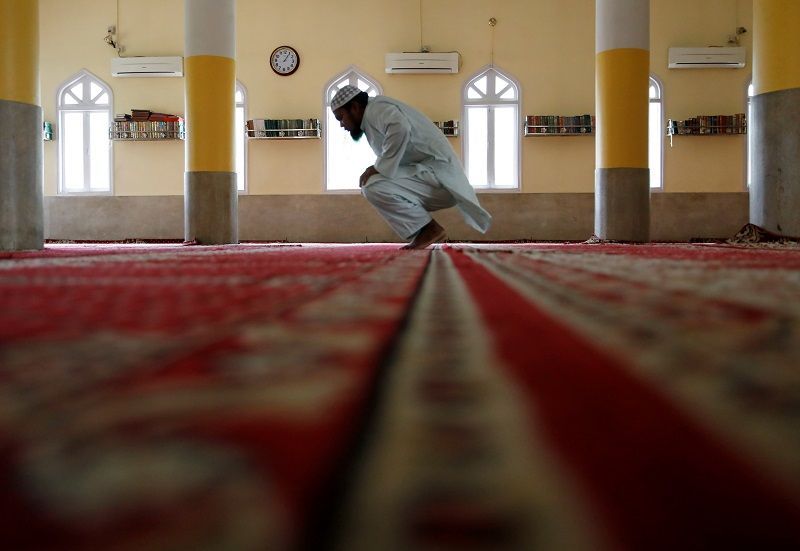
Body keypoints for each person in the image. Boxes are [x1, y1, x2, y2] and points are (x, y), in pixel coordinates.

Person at [330, 85, 492, 249]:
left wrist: (379, 166)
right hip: (435, 180)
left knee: (372, 184)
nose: (342, 124)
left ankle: (428, 229)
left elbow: (399, 127)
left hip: (438, 178)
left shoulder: (376, 109)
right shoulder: (373, 115)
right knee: (372, 183)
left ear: (355, 107)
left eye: (340, 117)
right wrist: (382, 166)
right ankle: (426, 229)